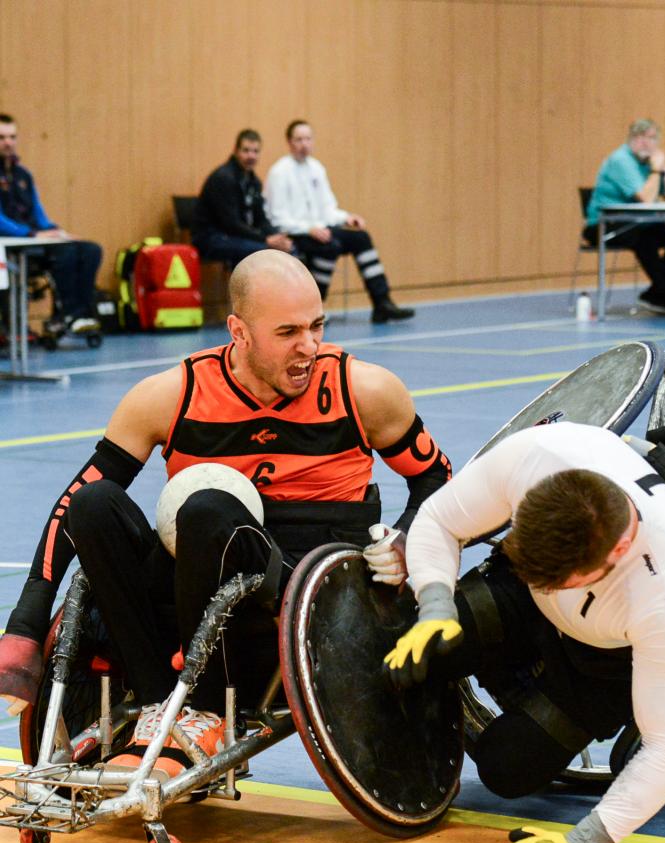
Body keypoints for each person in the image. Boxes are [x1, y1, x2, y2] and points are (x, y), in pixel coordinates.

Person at [0, 250, 451, 773]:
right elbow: (74, 503)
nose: (310, 346)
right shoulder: (173, 394)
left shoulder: (365, 390)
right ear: (238, 331)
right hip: (191, 584)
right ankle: (156, 703)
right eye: (288, 332)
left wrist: (405, 539)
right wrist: (26, 626)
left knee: (210, 508)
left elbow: (436, 481)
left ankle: (203, 711)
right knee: (94, 503)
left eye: (317, 326)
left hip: (301, 592)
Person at [384, 421, 665, 843]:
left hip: (604, 661)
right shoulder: (540, 453)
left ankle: (511, 701)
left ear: (619, 549)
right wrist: (436, 604)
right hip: (531, 596)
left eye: (559, 582)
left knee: (507, 771)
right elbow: (438, 519)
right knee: (409, 644)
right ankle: (482, 647)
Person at [266, 120, 414, 324]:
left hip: (322, 230)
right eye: (299, 139)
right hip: (296, 233)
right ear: (289, 142)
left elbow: (328, 209)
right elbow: (277, 217)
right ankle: (313, 307)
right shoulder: (279, 172)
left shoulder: (316, 168)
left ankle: (382, 302)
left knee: (360, 238)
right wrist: (309, 229)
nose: (304, 144)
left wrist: (347, 218)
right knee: (329, 246)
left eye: (308, 139)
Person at [0, 112, 102, 333]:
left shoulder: (23, 175)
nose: (8, 143)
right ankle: (70, 315)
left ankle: (81, 315)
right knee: (64, 254)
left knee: (90, 250)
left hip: (34, 239)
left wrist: (56, 231)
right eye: (2, 138)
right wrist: (30, 234)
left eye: (12, 137)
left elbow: (38, 212)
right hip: (12, 244)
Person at [583, 119, 665, 315]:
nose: (645, 142)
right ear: (631, 140)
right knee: (646, 239)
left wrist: (664, 170)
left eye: (651, 138)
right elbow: (646, 198)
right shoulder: (621, 160)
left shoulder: (650, 164)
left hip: (639, 223)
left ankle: (663, 293)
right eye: (639, 137)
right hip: (604, 225)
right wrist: (655, 171)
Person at [192, 129, 294, 266]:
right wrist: (266, 240)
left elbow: (261, 219)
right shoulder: (224, 178)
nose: (251, 156)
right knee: (264, 252)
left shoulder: (254, 182)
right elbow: (231, 224)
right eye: (246, 150)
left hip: (234, 236)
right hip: (211, 238)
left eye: (255, 151)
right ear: (235, 151)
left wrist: (277, 237)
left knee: (289, 249)